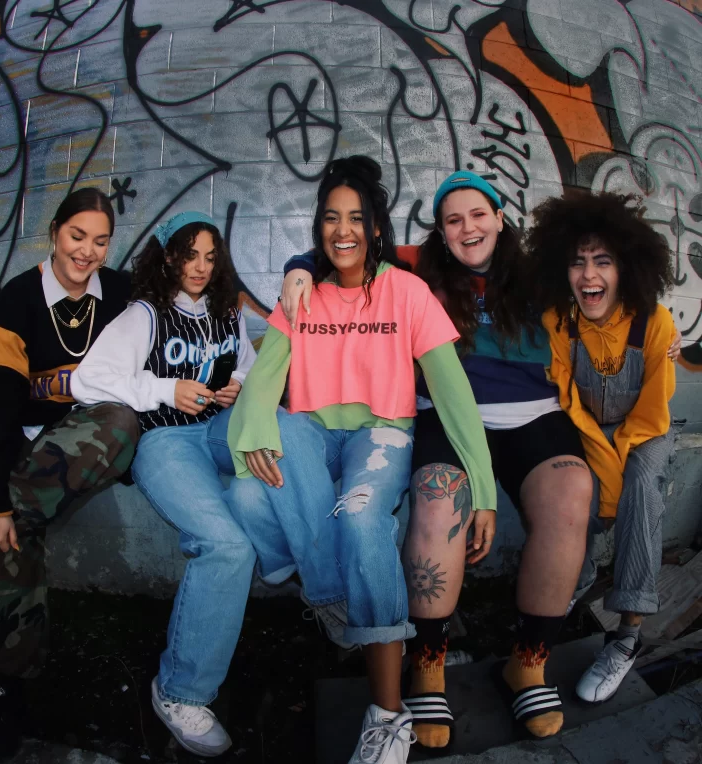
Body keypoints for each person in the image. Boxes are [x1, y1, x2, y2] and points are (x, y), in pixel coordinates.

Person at [279, 171, 593, 745]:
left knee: (572, 489)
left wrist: (659, 334)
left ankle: (528, 659)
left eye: (478, 215)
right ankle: (427, 665)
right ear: (441, 233)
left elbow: (605, 279)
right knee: (435, 495)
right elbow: (350, 243)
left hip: (531, 413)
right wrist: (298, 264)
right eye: (453, 220)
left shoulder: (541, 270)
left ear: (500, 218)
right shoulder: (417, 266)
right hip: (446, 412)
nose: (467, 228)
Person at [225, 156, 495, 764]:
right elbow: (266, 380)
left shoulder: (408, 292)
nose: (341, 230)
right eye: (329, 218)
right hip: (315, 431)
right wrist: (254, 442)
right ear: (318, 227)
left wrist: (482, 488)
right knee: (247, 486)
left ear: (375, 227)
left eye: (356, 218)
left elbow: (453, 395)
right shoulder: (303, 294)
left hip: (382, 433)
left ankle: (389, 712)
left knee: (362, 518)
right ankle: (331, 594)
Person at [0, 188, 139, 762]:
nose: (88, 252)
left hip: (100, 439)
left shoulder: (124, 294)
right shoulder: (18, 300)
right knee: (14, 525)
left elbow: (197, 286)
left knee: (121, 419)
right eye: (78, 237)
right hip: (33, 449)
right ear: (54, 232)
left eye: (101, 241)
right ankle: (5, 691)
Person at [71, 212, 256, 758]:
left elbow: (247, 362)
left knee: (289, 439)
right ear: (169, 257)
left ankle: (329, 593)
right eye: (189, 254)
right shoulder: (144, 315)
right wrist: (162, 389)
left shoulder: (227, 311)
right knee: (226, 547)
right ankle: (179, 692)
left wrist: (236, 386)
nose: (200, 266)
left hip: (217, 430)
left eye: (209, 256)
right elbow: (88, 379)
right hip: (166, 442)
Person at [529, 191, 676, 704]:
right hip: (588, 428)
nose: (589, 276)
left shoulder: (655, 324)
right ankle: (576, 575)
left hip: (645, 431)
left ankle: (628, 633)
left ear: (627, 267)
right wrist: (598, 466)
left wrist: (614, 471)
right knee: (574, 490)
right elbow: (569, 403)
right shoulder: (559, 322)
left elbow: (653, 414)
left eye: (603, 261)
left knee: (638, 488)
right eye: (578, 262)